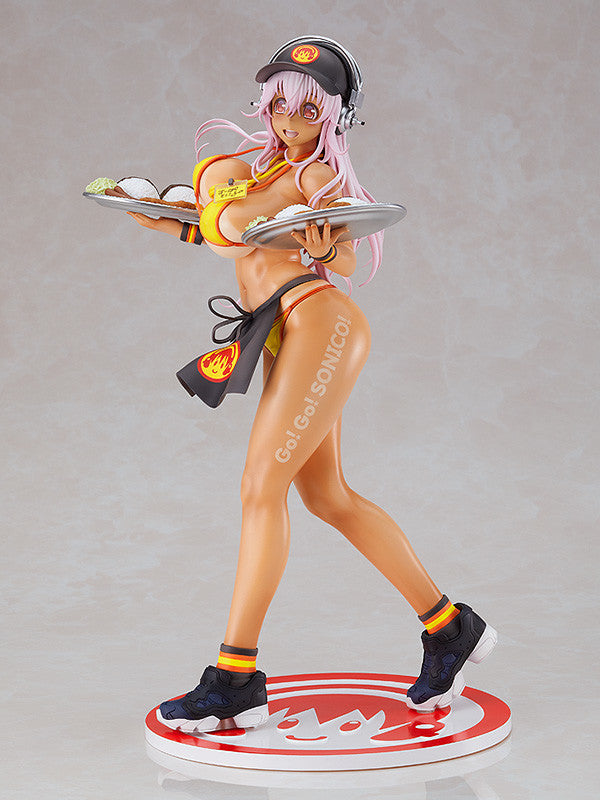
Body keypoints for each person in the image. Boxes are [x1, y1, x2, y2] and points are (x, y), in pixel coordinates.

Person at [127, 37, 497, 733]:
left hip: (318, 320)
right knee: (326, 495)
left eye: (306, 111)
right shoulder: (257, 170)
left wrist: (327, 248)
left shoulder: (315, 177)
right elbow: (239, 240)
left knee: (258, 489)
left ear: (333, 117)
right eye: (279, 107)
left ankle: (235, 677)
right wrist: (174, 224)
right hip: (281, 331)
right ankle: (450, 628)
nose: (289, 121)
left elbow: (345, 258)